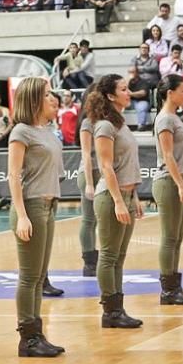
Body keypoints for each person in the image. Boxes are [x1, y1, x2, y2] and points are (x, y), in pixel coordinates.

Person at [8, 77, 64, 357]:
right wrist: (21, 215)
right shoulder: (21, 132)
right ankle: (27, 338)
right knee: (29, 276)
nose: (50, 98)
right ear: (33, 100)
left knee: (40, 275)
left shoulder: (45, 131)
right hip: (30, 206)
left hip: (48, 204)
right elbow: (14, 176)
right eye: (45, 94)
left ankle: (37, 333)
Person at [87, 74, 144, 329]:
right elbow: (106, 166)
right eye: (123, 89)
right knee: (109, 255)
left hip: (128, 195)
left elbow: (127, 163)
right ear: (110, 96)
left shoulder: (120, 123)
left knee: (119, 257)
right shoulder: (105, 126)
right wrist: (119, 201)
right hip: (111, 198)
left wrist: (135, 196)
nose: (128, 92)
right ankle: (110, 311)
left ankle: (117, 309)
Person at [153, 75, 183, 306]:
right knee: (170, 238)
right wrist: (181, 184)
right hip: (168, 183)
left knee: (177, 238)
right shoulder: (164, 120)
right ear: (169, 93)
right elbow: (168, 156)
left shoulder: (174, 118)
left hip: (178, 181)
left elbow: (180, 157)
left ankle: (174, 287)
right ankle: (168, 290)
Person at [76, 84, 99, 277]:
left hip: (102, 172)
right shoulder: (87, 123)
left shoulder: (103, 121)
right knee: (89, 219)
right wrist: (90, 183)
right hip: (90, 173)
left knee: (97, 220)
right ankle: (89, 262)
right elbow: (86, 154)